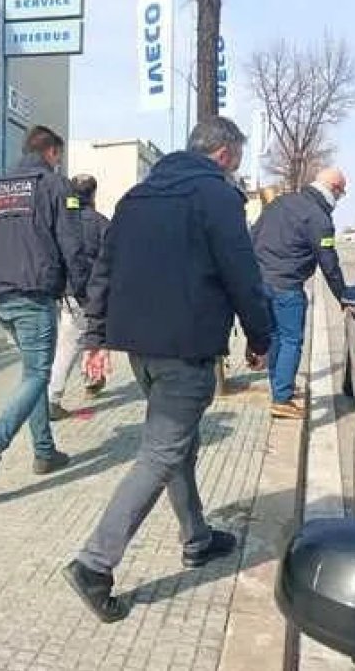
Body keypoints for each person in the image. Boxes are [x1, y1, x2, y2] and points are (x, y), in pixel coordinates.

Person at [63, 118, 274, 623]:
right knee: (161, 453)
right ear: (223, 154)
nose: (236, 171)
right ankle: (94, 564)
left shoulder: (135, 198)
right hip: (186, 348)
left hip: (140, 348)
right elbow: (242, 272)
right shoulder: (218, 198)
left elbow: (104, 272)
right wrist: (261, 336)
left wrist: (95, 337)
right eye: (237, 161)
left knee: (178, 445)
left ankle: (196, 538)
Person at [0, 125, 92, 502]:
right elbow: (71, 242)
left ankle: (45, 452)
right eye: (59, 156)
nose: (59, 163)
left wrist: (0, 264)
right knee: (38, 374)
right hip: (34, 295)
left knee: (31, 375)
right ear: (51, 152)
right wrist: (81, 289)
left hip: (0, 297)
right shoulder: (56, 186)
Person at [251, 168, 350, 419]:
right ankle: (282, 399)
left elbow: (253, 236)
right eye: (341, 193)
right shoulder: (318, 217)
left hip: (261, 282)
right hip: (287, 286)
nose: (340, 199)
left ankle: (280, 387)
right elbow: (329, 263)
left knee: (275, 337)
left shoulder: (280, 202)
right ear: (334, 189)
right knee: (291, 340)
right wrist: (343, 297)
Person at [48, 174, 110, 421]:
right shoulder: (102, 224)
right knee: (74, 343)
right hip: (95, 293)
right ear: (93, 194)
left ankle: (92, 378)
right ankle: (53, 398)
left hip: (68, 292)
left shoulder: (62, 222)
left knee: (76, 338)